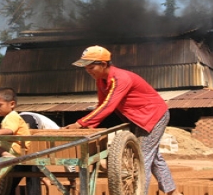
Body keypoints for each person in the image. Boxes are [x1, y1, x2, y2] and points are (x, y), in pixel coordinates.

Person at [63, 45, 182, 195]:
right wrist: (89, 125)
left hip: (153, 116)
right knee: (154, 157)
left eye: (91, 67)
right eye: (86, 68)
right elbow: (101, 105)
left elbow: (108, 106)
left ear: (104, 64)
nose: (88, 71)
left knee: (141, 158)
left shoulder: (120, 78)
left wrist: (79, 124)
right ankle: (173, 193)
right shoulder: (101, 81)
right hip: (139, 119)